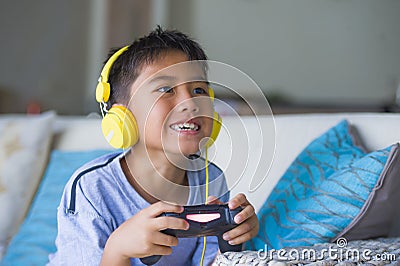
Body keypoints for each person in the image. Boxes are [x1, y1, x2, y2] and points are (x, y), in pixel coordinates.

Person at [48, 26, 259, 266]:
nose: (190, 102)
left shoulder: (211, 179)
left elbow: (209, 260)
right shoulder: (91, 188)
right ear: (122, 117)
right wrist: (118, 249)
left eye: (199, 90)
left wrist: (231, 242)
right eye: (166, 89)